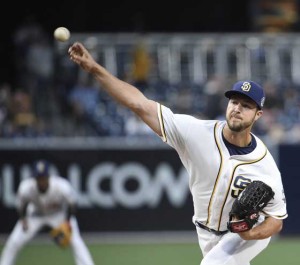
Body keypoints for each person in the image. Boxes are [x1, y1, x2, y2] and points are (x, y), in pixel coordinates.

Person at [68, 42, 288, 265]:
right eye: (234, 101)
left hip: (242, 236)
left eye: (246, 105)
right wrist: (95, 68)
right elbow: (140, 105)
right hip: (205, 233)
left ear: (258, 114)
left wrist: (249, 234)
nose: (237, 108)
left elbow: (276, 219)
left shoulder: (265, 166)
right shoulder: (197, 133)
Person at [0, 159, 95, 265]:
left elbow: (72, 204)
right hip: (35, 215)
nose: (41, 180)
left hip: (58, 215)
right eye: (38, 178)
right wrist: (23, 219)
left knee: (76, 241)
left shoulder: (61, 186)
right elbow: (22, 205)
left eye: (43, 177)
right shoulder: (26, 187)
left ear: (48, 177)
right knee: (14, 242)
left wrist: (67, 221)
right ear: (34, 178)